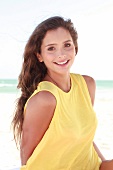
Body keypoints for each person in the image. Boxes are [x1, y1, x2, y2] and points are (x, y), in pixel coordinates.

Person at [12, 16, 113, 170]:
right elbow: (27, 159)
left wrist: (103, 164)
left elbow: (85, 138)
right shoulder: (45, 99)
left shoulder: (87, 85)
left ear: (75, 48)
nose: (61, 54)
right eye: (51, 48)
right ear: (39, 55)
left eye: (67, 45)